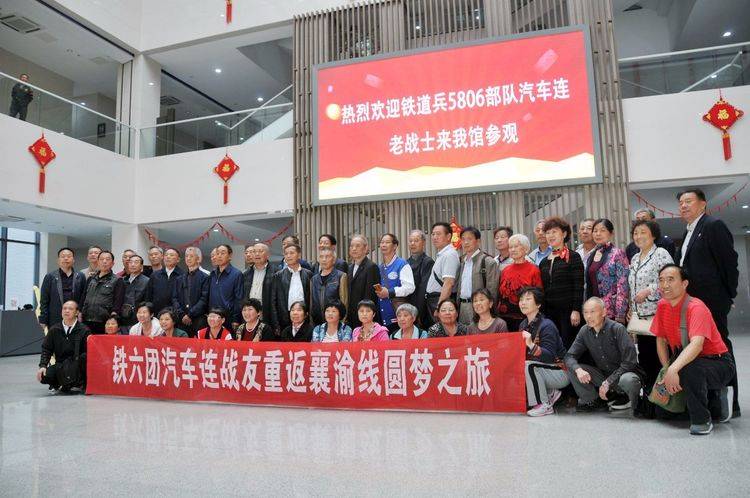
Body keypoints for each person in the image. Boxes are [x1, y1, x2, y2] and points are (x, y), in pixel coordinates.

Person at [676, 188, 740, 414]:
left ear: (703, 204)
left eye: (688, 201)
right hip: (693, 304)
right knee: (700, 350)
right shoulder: (688, 232)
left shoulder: (713, 225)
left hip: (712, 302)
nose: (684, 206)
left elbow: (729, 263)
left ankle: (729, 402)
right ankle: (709, 400)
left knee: (720, 350)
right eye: (681, 203)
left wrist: (728, 295)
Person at [651, 264, 735, 435]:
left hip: (718, 362)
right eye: (661, 280)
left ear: (684, 284)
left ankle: (702, 420)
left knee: (690, 370)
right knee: (662, 412)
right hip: (685, 361)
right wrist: (667, 369)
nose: (665, 285)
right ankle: (708, 400)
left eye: (671, 280)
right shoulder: (662, 305)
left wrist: (674, 369)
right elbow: (660, 339)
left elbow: (697, 345)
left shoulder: (696, 307)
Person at [565, 297, 644, 414]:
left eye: (593, 311)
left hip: (623, 374)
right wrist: (578, 370)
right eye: (585, 312)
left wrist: (609, 382)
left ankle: (635, 403)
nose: (588, 316)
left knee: (628, 380)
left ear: (604, 312)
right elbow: (569, 356)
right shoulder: (584, 331)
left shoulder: (617, 329)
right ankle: (593, 401)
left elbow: (630, 362)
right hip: (604, 376)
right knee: (573, 368)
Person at [627, 219, 674, 390]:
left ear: (653, 235)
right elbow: (632, 286)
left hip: (659, 315)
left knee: (660, 358)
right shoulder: (635, 257)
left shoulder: (660, 253)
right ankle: (649, 396)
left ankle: (664, 396)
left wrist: (649, 290)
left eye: (643, 232)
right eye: (635, 233)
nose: (638, 236)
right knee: (645, 358)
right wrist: (631, 308)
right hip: (641, 319)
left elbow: (671, 280)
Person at [517, 287, 569, 417]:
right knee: (520, 365)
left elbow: (549, 356)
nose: (523, 303)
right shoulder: (523, 325)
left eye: (528, 299)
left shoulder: (547, 325)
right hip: (543, 370)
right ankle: (550, 392)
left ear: (538, 304)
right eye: (521, 300)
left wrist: (531, 344)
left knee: (528, 365)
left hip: (560, 372)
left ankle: (543, 404)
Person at [538, 217, 584, 348]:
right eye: (547, 232)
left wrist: (576, 310)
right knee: (552, 345)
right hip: (549, 312)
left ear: (564, 234)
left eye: (554, 232)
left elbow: (579, 285)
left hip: (568, 312)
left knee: (568, 345)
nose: (550, 235)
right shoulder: (543, 261)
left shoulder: (573, 257)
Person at [585, 218, 629, 324]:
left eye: (602, 230)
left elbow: (623, 285)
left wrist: (620, 313)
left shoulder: (617, 253)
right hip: (594, 310)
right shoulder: (592, 254)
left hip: (612, 310)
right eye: (595, 231)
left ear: (611, 233)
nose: (598, 234)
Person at [37, 301, 89, 391]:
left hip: (77, 365)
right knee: (43, 376)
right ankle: (65, 382)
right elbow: (46, 349)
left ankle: (75, 382)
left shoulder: (84, 330)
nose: (66, 311)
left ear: (77, 313)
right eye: (64, 308)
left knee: (84, 357)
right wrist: (43, 366)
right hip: (60, 365)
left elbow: (87, 353)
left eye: (70, 309)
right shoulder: (54, 329)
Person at [496, 234, 543, 332]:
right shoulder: (505, 270)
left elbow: (539, 294)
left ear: (526, 249)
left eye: (516, 246)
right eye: (511, 247)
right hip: (504, 317)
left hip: (525, 317)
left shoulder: (533, 269)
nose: (513, 249)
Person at [454, 227, 499, 325]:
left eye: (469, 239)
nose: (466, 242)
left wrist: (489, 311)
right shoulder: (461, 261)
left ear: (478, 241)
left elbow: (493, 291)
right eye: (463, 239)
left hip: (480, 308)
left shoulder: (488, 262)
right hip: (462, 307)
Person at [39, 247, 87, 330]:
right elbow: (44, 300)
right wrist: (43, 319)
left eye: (69, 256)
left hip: (75, 317)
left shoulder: (80, 276)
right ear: (58, 260)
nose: (66, 258)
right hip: (55, 317)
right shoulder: (50, 277)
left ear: (73, 260)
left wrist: (80, 312)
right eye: (63, 256)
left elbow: (84, 297)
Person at [375, 233, 415, 331]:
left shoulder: (402, 264)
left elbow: (410, 287)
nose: (383, 245)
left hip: (398, 317)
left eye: (387, 242)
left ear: (395, 246)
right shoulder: (379, 267)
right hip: (382, 318)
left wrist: (389, 292)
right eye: (382, 242)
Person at [271, 243, 313, 333]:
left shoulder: (308, 274)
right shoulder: (278, 275)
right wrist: (276, 323)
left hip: (304, 317)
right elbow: (273, 301)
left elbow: (311, 298)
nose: (288, 256)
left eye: (291, 253)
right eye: (286, 254)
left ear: (299, 255)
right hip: (285, 318)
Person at [81, 250, 124, 334]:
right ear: (98, 262)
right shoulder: (91, 278)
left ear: (112, 263)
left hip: (105, 321)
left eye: (107, 259)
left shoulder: (117, 280)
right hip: (86, 319)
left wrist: (114, 316)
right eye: (101, 259)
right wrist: (79, 312)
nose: (104, 261)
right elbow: (83, 297)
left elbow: (118, 301)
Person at [425, 222, 460, 321]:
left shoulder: (449, 255)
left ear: (448, 236)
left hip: (440, 301)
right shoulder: (443, 254)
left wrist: (439, 307)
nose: (435, 237)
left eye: (438, 234)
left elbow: (448, 283)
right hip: (435, 300)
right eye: (433, 234)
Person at [172, 246, 210, 337]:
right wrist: (182, 314)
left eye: (191, 256)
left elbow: (204, 299)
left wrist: (190, 314)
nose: (188, 258)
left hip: (198, 318)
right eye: (186, 256)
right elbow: (174, 298)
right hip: (181, 318)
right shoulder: (179, 278)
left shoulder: (205, 277)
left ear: (198, 259)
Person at [346, 235, 381, 328]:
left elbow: (370, 295)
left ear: (365, 248)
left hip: (365, 317)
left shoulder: (371, 267)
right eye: (352, 246)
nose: (354, 248)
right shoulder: (349, 268)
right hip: (351, 316)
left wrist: (364, 313)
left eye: (357, 246)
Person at [208, 244, 244, 329]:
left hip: (228, 317)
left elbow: (239, 299)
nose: (219, 256)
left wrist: (236, 319)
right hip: (212, 316)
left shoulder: (236, 274)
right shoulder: (212, 274)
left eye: (223, 253)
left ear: (230, 256)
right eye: (217, 253)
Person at [310, 246, 348, 325]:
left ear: (334, 260)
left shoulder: (341, 276)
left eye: (327, 257)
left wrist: (342, 322)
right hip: (317, 323)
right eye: (321, 257)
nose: (324, 259)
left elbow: (344, 302)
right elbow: (311, 303)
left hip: (336, 323)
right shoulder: (313, 279)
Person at [242, 243, 277, 325]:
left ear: (267, 255)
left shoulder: (276, 272)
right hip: (249, 313)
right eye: (254, 251)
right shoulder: (245, 274)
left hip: (267, 313)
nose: (257, 254)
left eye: (260, 251)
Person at [407, 229, 434, 328]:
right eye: (410, 241)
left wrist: (418, 313)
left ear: (423, 242)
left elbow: (423, 289)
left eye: (416, 240)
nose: (412, 243)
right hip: (408, 307)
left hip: (422, 308)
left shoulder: (428, 262)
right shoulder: (406, 263)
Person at [147, 248, 184, 316]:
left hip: (175, 314)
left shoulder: (183, 275)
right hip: (156, 313)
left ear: (178, 259)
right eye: (166, 255)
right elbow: (149, 296)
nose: (168, 257)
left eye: (171, 255)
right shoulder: (155, 275)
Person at [121, 255, 150, 328]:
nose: (133, 264)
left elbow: (147, 301)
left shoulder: (147, 281)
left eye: (136, 262)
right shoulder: (123, 280)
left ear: (141, 266)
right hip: (122, 317)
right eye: (130, 262)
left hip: (137, 318)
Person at [576, 218, 596, 297]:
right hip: (579, 297)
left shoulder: (602, 252)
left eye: (589, 228)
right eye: (582, 229)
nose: (585, 231)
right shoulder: (576, 253)